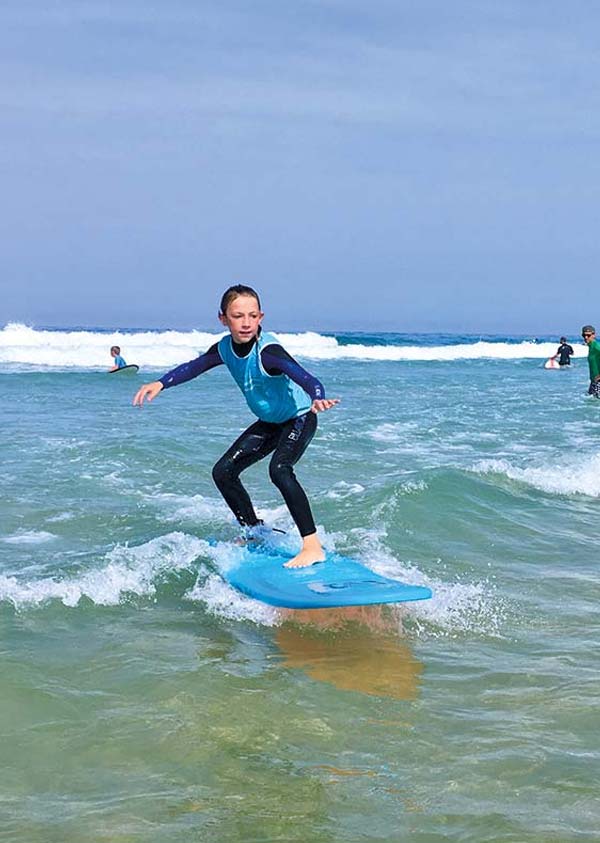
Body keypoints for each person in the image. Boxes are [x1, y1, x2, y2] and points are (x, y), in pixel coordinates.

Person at [133, 284, 340, 567]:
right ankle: (253, 530)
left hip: (300, 417)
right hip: (270, 422)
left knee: (279, 470)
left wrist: (318, 398)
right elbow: (195, 366)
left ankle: (312, 546)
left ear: (261, 317)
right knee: (224, 471)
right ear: (223, 319)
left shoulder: (269, 352)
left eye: (252, 316)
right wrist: (161, 382)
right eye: (238, 316)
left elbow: (308, 378)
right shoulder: (224, 349)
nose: (246, 323)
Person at [582, 325, 600, 398]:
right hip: (593, 381)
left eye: (588, 335)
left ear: (593, 335)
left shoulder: (596, 346)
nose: (586, 337)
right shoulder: (590, 346)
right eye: (584, 335)